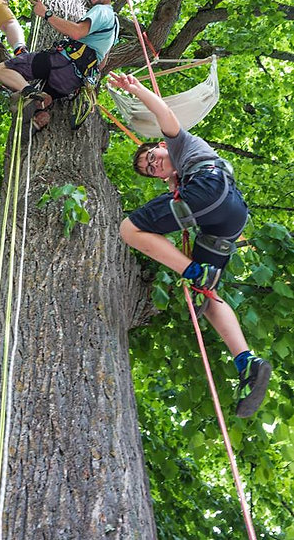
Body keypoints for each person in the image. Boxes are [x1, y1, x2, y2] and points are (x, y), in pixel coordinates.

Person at [108, 72, 271, 418]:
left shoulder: (181, 145)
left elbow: (165, 115)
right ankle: (247, 362)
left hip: (209, 189)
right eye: (149, 169)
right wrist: (171, 183)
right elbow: (174, 194)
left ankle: (196, 270)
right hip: (228, 216)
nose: (153, 164)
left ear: (163, 146)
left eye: (152, 157)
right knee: (207, 294)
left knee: (129, 229)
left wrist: (137, 90)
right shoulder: (178, 180)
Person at [0, 0, 120, 130]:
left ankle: (29, 92)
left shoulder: (102, 11)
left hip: (61, 62)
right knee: (46, 98)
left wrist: (46, 14)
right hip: (72, 81)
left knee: (0, 70)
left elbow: (76, 32)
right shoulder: (115, 26)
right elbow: (101, 64)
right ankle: (40, 117)